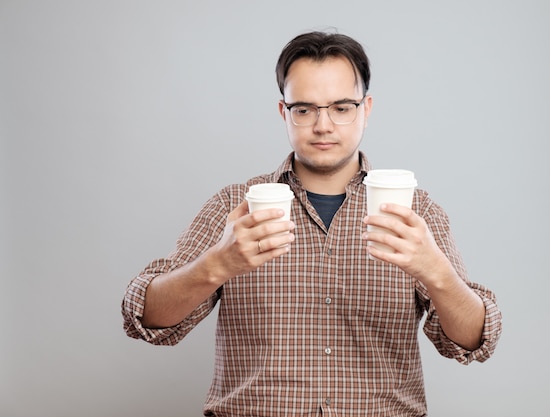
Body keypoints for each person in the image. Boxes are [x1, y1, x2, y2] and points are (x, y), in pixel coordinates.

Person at [122, 30, 502, 416]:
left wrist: (436, 272)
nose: (324, 125)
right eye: (304, 109)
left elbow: (472, 341)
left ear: (366, 109)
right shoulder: (234, 207)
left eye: (341, 107)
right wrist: (217, 264)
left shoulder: (417, 211)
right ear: (284, 113)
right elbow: (146, 319)